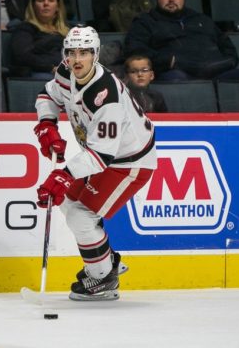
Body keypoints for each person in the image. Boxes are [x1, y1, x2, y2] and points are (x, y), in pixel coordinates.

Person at [34, 26, 157, 301]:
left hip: (130, 162)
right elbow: (47, 95)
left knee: (81, 216)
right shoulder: (66, 73)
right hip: (104, 155)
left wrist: (63, 174)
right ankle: (105, 262)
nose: (77, 59)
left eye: (85, 52)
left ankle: (103, 278)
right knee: (67, 201)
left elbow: (102, 157)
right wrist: (47, 124)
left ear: (96, 54)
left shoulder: (105, 95)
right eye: (72, 52)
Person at [124, 0, 239, 81]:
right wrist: (168, 61)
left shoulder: (201, 19)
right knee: (175, 79)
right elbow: (135, 49)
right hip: (179, 73)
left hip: (215, 72)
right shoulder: (146, 21)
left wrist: (228, 61)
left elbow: (228, 47)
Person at [10, 0, 70, 78]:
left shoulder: (68, 32)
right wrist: (50, 68)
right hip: (43, 73)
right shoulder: (25, 29)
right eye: (41, 0)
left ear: (58, 7)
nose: (46, 3)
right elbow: (23, 56)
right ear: (33, 6)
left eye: (51, 0)